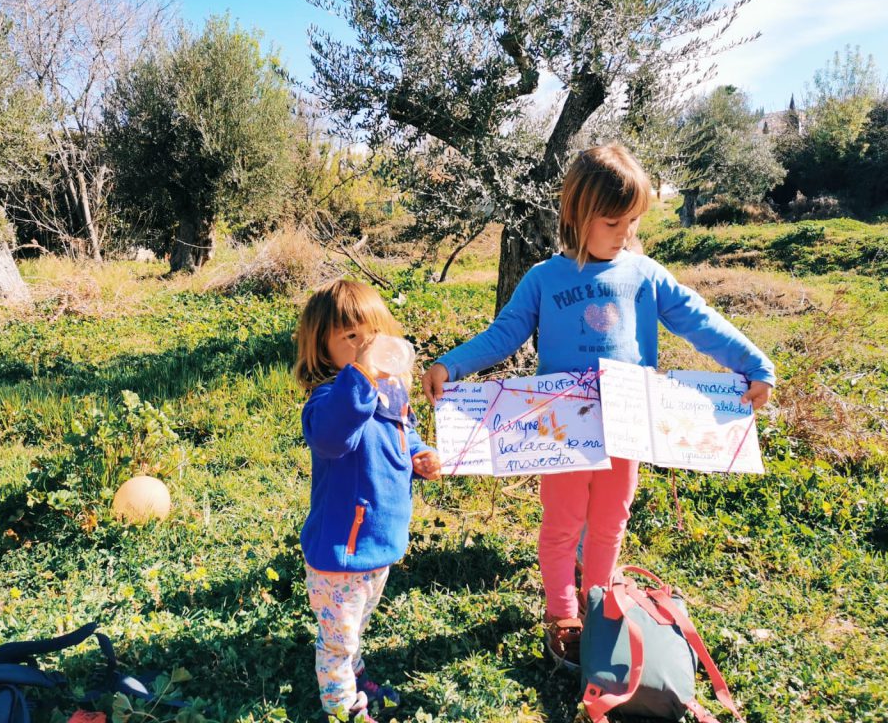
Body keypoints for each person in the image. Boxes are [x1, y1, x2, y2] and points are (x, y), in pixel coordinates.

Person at [420, 143, 774, 669]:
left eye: (632, 221)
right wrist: (451, 365)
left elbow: (699, 321)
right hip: (560, 430)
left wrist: (753, 362)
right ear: (577, 215)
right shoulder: (544, 278)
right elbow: (505, 334)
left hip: (628, 425)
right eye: (614, 222)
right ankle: (562, 613)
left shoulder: (647, 275)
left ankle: (601, 597)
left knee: (611, 520)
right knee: (562, 523)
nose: (626, 232)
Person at [294, 278, 442, 721]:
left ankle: (353, 670)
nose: (364, 346)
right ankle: (342, 707)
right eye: (350, 339)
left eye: (371, 335)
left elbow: (405, 430)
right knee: (337, 637)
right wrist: (359, 376)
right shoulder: (328, 400)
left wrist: (419, 454)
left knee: (357, 622)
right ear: (324, 350)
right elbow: (334, 438)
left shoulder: (392, 394)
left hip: (378, 542)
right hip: (341, 550)